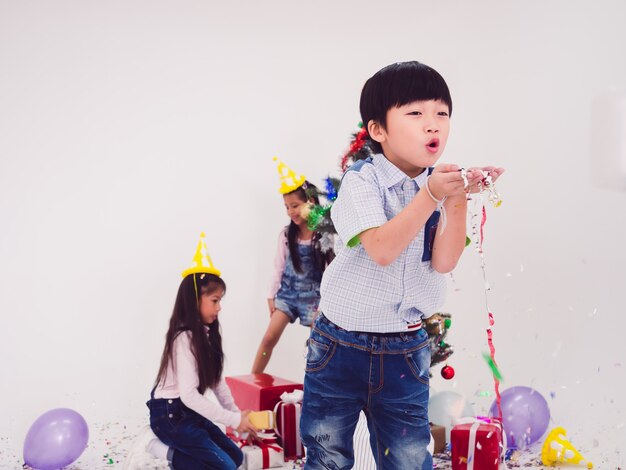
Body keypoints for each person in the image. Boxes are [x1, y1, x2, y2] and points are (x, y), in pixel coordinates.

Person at [299, 61, 504, 469]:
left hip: (406, 349)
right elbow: (381, 249)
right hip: (339, 345)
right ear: (378, 130)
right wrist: (431, 193)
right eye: (415, 113)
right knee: (327, 455)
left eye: (441, 114)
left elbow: (444, 261)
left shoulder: (441, 183)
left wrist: (458, 194)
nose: (433, 125)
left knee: (409, 458)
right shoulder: (363, 180)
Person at [142, 233, 257, 469]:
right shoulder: (183, 338)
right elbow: (189, 395)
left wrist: (238, 416)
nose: (219, 307)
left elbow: (217, 383)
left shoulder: (206, 336)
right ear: (195, 300)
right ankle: (162, 450)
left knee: (235, 459)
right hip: (170, 416)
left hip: (187, 413)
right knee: (223, 467)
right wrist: (233, 420)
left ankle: (183, 457)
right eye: (215, 300)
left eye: (220, 300)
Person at [251, 158, 335, 374]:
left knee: (319, 345)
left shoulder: (324, 235)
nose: (290, 212)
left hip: (313, 299)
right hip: (287, 295)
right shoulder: (286, 236)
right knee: (269, 338)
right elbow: (278, 267)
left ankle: (318, 384)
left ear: (311, 202)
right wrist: (271, 295)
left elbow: (331, 271)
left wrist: (325, 305)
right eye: (287, 207)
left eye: (295, 206)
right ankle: (253, 378)